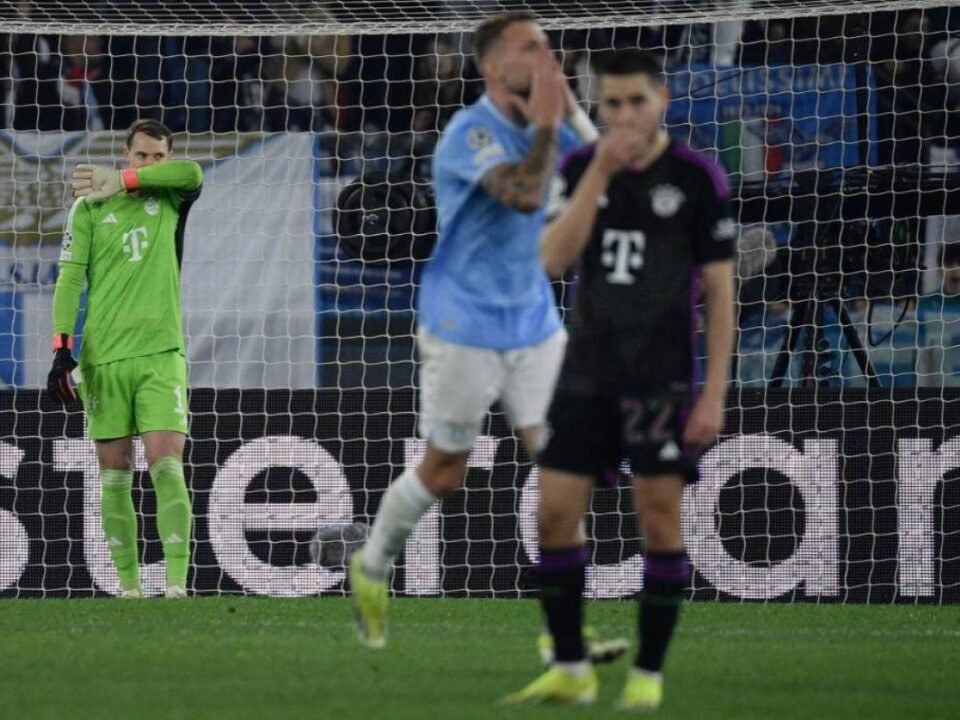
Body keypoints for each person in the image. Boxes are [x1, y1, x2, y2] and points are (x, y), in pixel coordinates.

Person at [348, 11, 604, 651]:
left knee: (566, 465)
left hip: (536, 322)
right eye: (529, 49)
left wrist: (575, 115)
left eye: (549, 47)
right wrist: (552, 124)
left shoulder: (553, 128)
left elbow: (611, 178)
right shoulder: (469, 133)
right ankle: (371, 564)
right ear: (493, 67)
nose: (545, 58)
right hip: (463, 322)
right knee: (445, 472)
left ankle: (562, 634)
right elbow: (522, 192)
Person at [505, 49, 735, 708]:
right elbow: (550, 261)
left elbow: (719, 294)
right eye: (613, 104)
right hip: (585, 376)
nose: (626, 115)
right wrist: (599, 169)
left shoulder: (697, 178)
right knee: (554, 515)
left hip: (660, 381)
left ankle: (648, 676)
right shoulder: (581, 166)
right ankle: (572, 668)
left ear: (661, 98)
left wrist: (714, 392)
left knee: (659, 524)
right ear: (599, 108)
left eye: (637, 101)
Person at [48, 119, 203, 598]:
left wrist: (123, 180)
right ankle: (129, 588)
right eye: (141, 156)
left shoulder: (172, 197)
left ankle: (177, 584)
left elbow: (193, 173)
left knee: (167, 463)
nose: (151, 163)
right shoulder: (89, 206)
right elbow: (70, 279)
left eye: (159, 156)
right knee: (114, 474)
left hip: (161, 354)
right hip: (104, 359)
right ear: (126, 153)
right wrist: (61, 351)